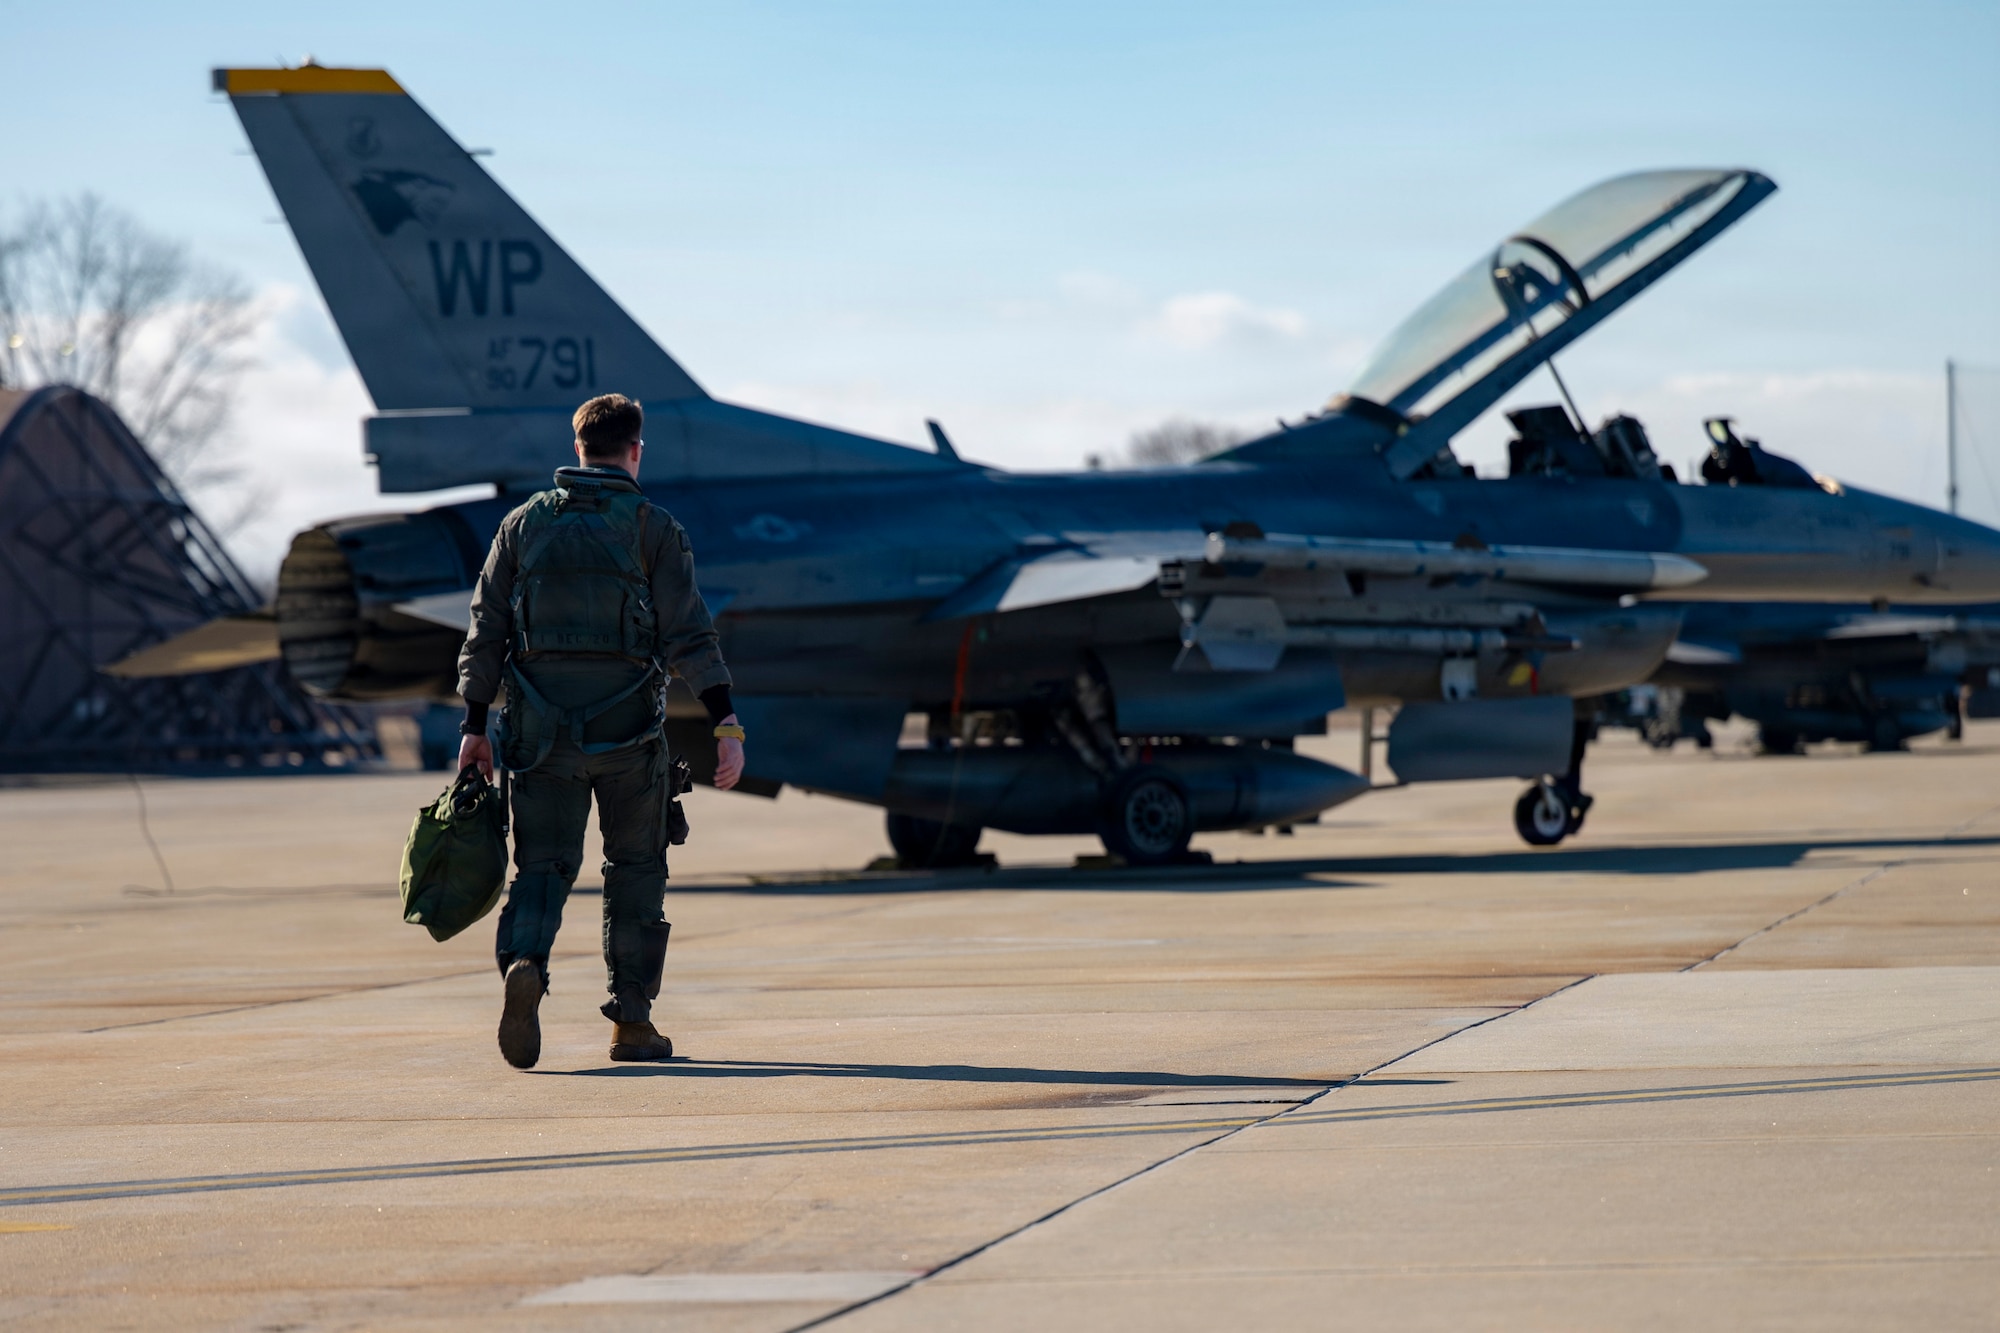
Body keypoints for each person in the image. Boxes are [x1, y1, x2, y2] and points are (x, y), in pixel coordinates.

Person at [456, 393, 745, 1070]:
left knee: (542, 866)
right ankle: (631, 1024)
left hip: (538, 737)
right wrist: (725, 721)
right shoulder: (653, 527)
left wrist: (474, 726)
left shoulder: (521, 525)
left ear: (578, 447)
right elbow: (689, 634)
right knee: (636, 870)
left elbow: (485, 630)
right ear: (635, 450)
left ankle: (524, 962)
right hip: (629, 738)